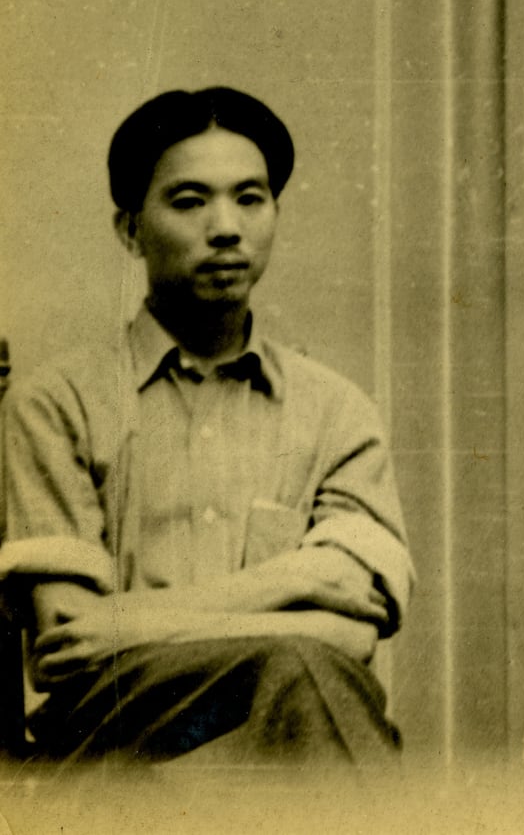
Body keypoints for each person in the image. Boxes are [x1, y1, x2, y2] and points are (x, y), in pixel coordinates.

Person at [0, 87, 412, 768]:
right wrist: (296, 582)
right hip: (120, 750)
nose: (226, 227)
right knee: (306, 669)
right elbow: (71, 643)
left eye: (251, 199)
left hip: (288, 735)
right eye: (189, 202)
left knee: (306, 674)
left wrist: (133, 620)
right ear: (129, 229)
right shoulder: (58, 404)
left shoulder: (337, 412)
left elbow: (354, 635)